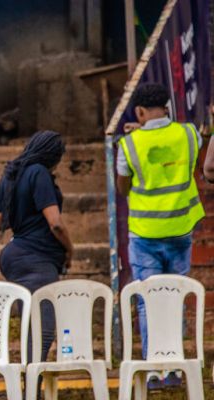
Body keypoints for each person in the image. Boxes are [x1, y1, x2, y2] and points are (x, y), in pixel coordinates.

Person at [116, 83, 204, 387]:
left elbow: (122, 186)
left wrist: (136, 135)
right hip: (181, 227)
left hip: (144, 232)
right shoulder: (190, 134)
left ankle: (154, 369)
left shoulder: (129, 144)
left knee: (147, 299)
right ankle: (176, 369)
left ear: (139, 111)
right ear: (166, 106)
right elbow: (191, 165)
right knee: (174, 297)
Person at [0, 131, 71, 395]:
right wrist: (70, 249)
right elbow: (56, 222)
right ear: (53, 156)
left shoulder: (11, 174)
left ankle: (29, 387)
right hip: (37, 257)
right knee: (44, 327)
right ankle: (30, 391)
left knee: (31, 325)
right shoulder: (39, 173)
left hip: (14, 254)